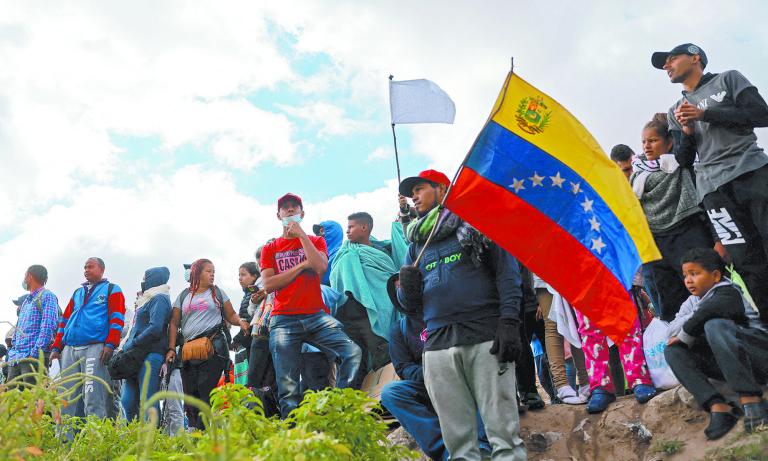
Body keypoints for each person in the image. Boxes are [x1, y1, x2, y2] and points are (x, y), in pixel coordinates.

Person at [396, 169, 526, 460]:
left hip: (485, 338)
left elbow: (508, 276)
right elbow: (409, 307)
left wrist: (509, 322)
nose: (413, 196)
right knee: (459, 446)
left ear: (442, 189)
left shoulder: (479, 224)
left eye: (419, 188)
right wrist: (407, 289)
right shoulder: (416, 243)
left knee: (504, 437)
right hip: (438, 347)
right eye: (411, 191)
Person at [653, 43, 768, 322]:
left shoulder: (728, 79)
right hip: (714, 192)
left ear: (695, 57)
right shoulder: (675, 110)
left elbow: (761, 115)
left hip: (751, 172)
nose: (667, 66)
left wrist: (706, 114)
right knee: (746, 261)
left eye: (672, 59)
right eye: (664, 64)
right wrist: (688, 131)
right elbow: (683, 158)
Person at [260, 193, 362, 417]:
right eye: (285, 208)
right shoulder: (270, 249)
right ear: (278, 215)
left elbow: (320, 267)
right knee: (287, 386)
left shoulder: (315, 241)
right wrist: (300, 266)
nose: (289, 211)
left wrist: (302, 238)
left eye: (293, 208)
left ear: (302, 213)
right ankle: (292, 436)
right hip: (283, 318)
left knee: (351, 353)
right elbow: (268, 284)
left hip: (315, 315)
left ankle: (341, 408)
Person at [665, 247, 768, 439]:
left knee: (715, 325)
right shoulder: (692, 302)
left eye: (695, 274)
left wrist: (691, 325)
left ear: (715, 275)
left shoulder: (729, 291)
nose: (688, 280)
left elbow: (709, 312)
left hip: (758, 357)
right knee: (673, 350)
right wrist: (697, 319)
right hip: (729, 365)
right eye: (685, 275)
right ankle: (718, 407)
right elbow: (670, 331)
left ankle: (751, 399)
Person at [381, 292, 490, 460]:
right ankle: (446, 452)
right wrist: (432, 372)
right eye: (397, 290)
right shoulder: (399, 330)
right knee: (390, 392)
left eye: (406, 287)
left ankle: (482, 446)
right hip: (427, 383)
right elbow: (403, 367)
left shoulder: (444, 312)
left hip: (459, 377)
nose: (403, 293)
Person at [631, 113, 714, 320]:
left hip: (688, 236)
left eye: (653, 140)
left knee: (706, 296)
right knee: (671, 305)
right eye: (643, 142)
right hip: (656, 245)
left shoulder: (682, 166)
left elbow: (686, 146)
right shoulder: (636, 178)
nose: (647, 146)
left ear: (669, 143)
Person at [165, 258, 249, 430]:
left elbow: (230, 314)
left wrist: (240, 321)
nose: (212, 275)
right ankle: (196, 430)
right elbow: (174, 323)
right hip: (188, 351)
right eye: (208, 271)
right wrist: (172, 349)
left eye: (213, 272)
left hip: (213, 348)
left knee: (206, 390)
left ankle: (204, 431)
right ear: (197, 273)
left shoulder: (217, 293)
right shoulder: (183, 296)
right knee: (190, 393)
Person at [331, 211, 404, 382]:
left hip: (376, 313)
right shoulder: (345, 252)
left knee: (383, 357)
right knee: (354, 366)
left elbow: (388, 279)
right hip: (348, 317)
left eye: (351, 227)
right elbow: (336, 280)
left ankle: (383, 403)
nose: (347, 231)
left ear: (364, 227)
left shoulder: (382, 252)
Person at [51, 257, 126, 420]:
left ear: (101, 270)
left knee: (92, 397)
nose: (86, 270)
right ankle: (63, 440)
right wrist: (56, 347)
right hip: (70, 349)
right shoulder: (78, 292)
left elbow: (117, 318)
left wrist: (110, 344)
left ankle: (94, 439)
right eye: (85, 267)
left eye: (90, 267)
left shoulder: (112, 289)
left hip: (95, 347)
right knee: (65, 397)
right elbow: (64, 320)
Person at [121, 267, 172, 422]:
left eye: (145, 278)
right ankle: (133, 436)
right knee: (127, 401)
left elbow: (155, 327)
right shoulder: (144, 300)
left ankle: (151, 439)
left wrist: (135, 342)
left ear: (154, 279)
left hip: (150, 353)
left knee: (148, 399)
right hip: (133, 355)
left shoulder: (160, 298)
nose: (143, 281)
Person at [533, 276, 590, 405]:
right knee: (552, 325)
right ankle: (562, 385)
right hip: (542, 271)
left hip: (570, 269)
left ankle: (586, 382)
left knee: (577, 320)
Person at [7, 265, 59, 385]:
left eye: (25, 275)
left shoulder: (47, 296)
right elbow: (18, 328)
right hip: (16, 359)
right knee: (14, 401)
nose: (24, 278)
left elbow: (48, 326)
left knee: (34, 399)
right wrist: (12, 352)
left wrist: (34, 353)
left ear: (29, 276)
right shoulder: (26, 301)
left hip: (32, 358)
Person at [312, 221, 344, 286]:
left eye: (321, 231)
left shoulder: (340, 253)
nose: (318, 235)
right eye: (318, 232)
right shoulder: (319, 253)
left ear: (332, 233)